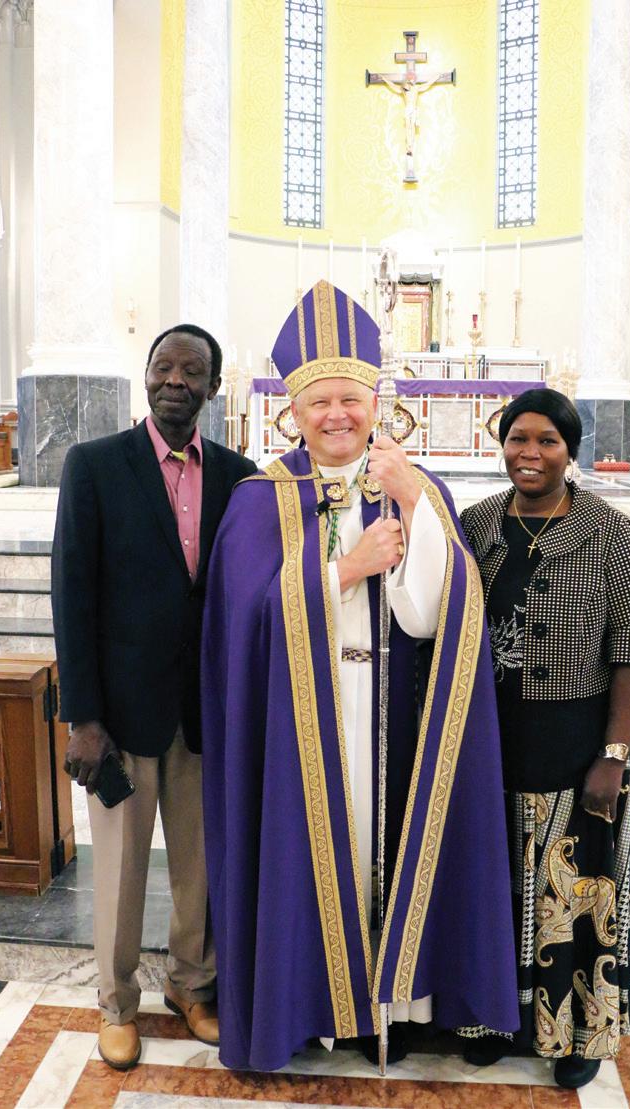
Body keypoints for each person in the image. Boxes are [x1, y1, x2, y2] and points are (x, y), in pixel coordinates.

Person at [201, 280, 518, 1072]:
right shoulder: (258, 499)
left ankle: (391, 1006)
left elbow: (440, 615)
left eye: (351, 399)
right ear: (293, 411)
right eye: (320, 402)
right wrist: (345, 569)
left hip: (396, 711)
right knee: (309, 855)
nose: (337, 415)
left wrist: (415, 510)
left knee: (388, 853)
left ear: (378, 402)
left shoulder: (415, 484)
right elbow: (243, 625)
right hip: (300, 721)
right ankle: (313, 1006)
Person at [51, 324, 256, 1070]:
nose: (176, 379)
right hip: (121, 713)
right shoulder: (95, 465)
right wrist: (83, 716)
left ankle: (191, 987)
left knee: (200, 867)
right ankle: (115, 1002)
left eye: (191, 370)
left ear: (213, 387)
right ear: (145, 376)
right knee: (121, 869)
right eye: (163, 366)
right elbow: (72, 595)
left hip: (205, 710)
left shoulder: (239, 476)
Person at [459, 388, 630, 1090]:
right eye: (518, 438)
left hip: (575, 741)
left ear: (569, 451)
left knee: (574, 894)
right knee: (497, 885)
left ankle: (576, 1031)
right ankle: (495, 1019)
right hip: (491, 738)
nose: (530, 453)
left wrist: (614, 754)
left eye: (547, 440)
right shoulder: (479, 523)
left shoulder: (610, 531)